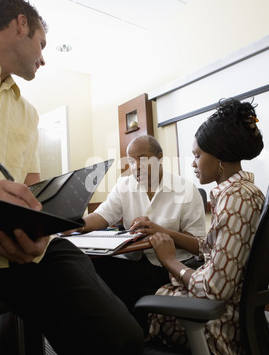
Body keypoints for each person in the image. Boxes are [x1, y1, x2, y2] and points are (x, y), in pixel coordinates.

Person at [0, 0, 143, 355]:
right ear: (21, 24)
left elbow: (35, 192)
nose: (43, 59)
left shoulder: (29, 115)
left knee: (119, 337)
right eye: (42, 45)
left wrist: (41, 225)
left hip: (20, 249)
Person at [147, 99, 265, 355]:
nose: (193, 163)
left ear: (220, 158)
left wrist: (169, 260)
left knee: (134, 306)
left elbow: (213, 287)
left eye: (197, 155)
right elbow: (211, 247)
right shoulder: (244, 191)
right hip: (238, 314)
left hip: (220, 327)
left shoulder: (235, 199)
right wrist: (164, 231)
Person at [81, 134, 206, 312]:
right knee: (89, 267)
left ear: (160, 158)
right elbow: (102, 216)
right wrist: (73, 225)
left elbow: (198, 244)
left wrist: (160, 231)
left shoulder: (185, 189)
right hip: (133, 260)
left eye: (143, 159)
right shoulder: (123, 186)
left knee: (115, 287)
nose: (136, 167)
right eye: (131, 161)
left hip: (169, 265)